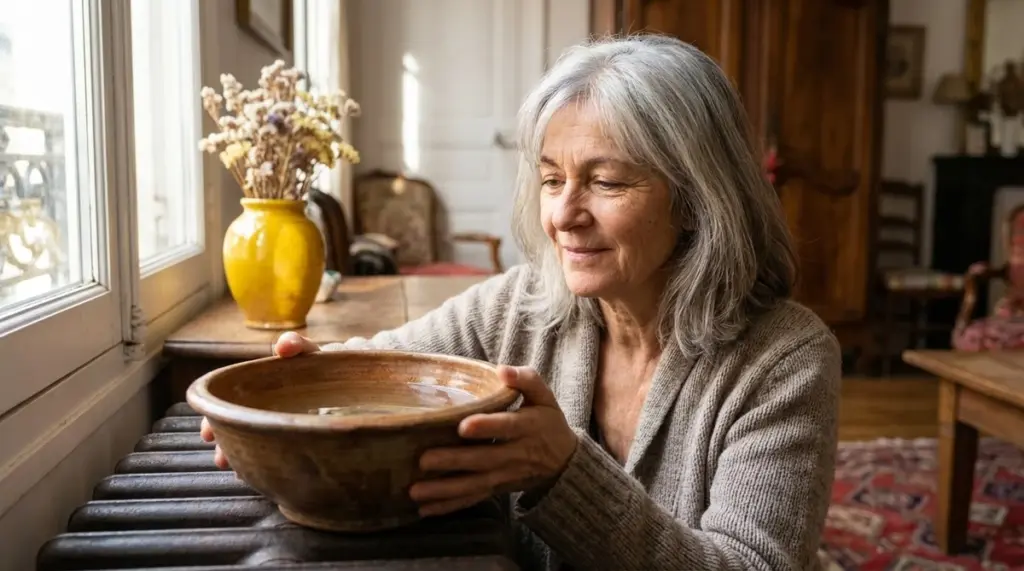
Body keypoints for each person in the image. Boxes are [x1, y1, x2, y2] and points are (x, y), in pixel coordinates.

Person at [201, 34, 840, 570]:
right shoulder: (524, 303)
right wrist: (301, 386)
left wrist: (564, 473)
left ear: (700, 197)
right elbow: (384, 367)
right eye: (551, 178)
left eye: (607, 181)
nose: (563, 215)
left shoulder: (784, 358)